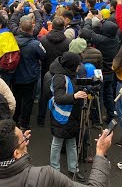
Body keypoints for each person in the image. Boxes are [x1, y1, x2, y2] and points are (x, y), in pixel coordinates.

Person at [0, 119, 112, 187]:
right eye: (23, 140)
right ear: (16, 154)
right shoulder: (45, 176)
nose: (26, 141)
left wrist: (20, 141)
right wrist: (100, 153)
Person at [48, 52, 88, 180]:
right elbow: (59, 98)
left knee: (71, 142)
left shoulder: (68, 74)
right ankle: (55, 170)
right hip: (62, 116)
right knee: (57, 143)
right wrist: (75, 96)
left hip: (68, 115)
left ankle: (73, 168)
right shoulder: (60, 77)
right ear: (71, 65)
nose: (79, 68)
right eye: (77, 65)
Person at [13, 15, 46, 130]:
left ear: (20, 28)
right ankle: (24, 123)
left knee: (16, 99)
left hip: (16, 76)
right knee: (28, 101)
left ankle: (15, 119)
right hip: (30, 77)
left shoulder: (13, 41)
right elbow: (43, 55)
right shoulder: (35, 44)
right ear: (32, 29)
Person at [38, 17, 70, 127]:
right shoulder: (67, 42)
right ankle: (58, 118)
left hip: (46, 71)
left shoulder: (43, 40)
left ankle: (41, 119)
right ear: (63, 27)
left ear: (53, 26)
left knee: (44, 95)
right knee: (60, 95)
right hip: (61, 73)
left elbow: (41, 56)